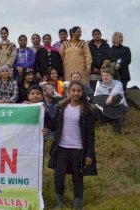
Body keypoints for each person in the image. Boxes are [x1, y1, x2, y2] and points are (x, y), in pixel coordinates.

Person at [48, 81, 97, 210]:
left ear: (82, 92)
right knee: (58, 176)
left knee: (78, 178)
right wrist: (45, 113)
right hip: (62, 148)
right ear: (68, 92)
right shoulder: (61, 107)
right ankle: (59, 205)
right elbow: (52, 125)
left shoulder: (88, 111)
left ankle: (77, 206)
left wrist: (89, 155)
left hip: (78, 149)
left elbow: (91, 135)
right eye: (73, 90)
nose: (75, 93)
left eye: (78, 91)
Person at [93, 68, 127, 134]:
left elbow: (118, 90)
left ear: (111, 76)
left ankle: (117, 130)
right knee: (99, 99)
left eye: (107, 75)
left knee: (118, 97)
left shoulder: (118, 83)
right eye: (103, 75)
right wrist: (106, 100)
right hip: (106, 106)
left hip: (119, 106)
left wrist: (111, 96)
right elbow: (96, 98)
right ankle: (105, 124)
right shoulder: (99, 86)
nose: (105, 77)